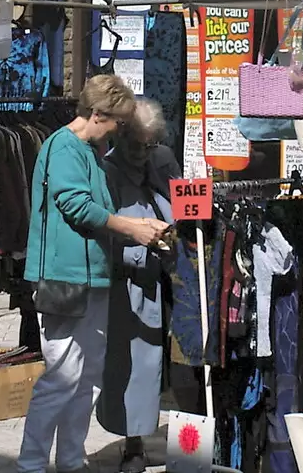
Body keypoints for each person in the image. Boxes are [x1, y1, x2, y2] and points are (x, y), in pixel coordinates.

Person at [19, 76, 170, 473]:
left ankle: (71, 458)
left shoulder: (87, 150)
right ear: (98, 114)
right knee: (62, 377)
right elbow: (77, 206)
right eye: (118, 123)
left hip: (91, 278)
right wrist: (132, 228)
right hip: (64, 278)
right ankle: (31, 463)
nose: (119, 132)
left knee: (86, 377)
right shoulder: (63, 148)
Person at [97, 99, 180, 473]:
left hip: (173, 276)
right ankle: (133, 444)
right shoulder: (107, 170)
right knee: (133, 365)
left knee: (179, 364)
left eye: (149, 145)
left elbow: (180, 202)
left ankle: (188, 441)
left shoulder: (162, 159)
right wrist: (139, 244)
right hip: (133, 281)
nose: (143, 153)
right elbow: (104, 231)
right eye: (137, 145)